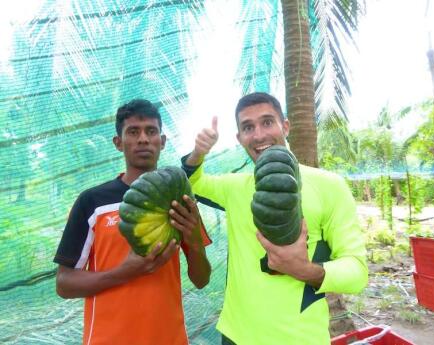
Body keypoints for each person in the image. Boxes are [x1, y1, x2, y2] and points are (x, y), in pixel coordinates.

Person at [182, 92, 368, 345]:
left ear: (286, 126)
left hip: (298, 339)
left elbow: (357, 272)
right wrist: (198, 153)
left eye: (267, 122)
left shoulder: (329, 186)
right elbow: (191, 182)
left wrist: (304, 270)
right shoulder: (234, 188)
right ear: (239, 138)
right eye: (248, 127)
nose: (259, 135)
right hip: (235, 334)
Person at [53, 99, 211, 345]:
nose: (143, 139)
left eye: (151, 131)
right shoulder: (92, 201)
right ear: (118, 143)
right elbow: (64, 284)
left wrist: (194, 241)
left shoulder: (181, 201)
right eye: (133, 132)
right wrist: (125, 272)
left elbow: (201, 280)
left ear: (163, 141)